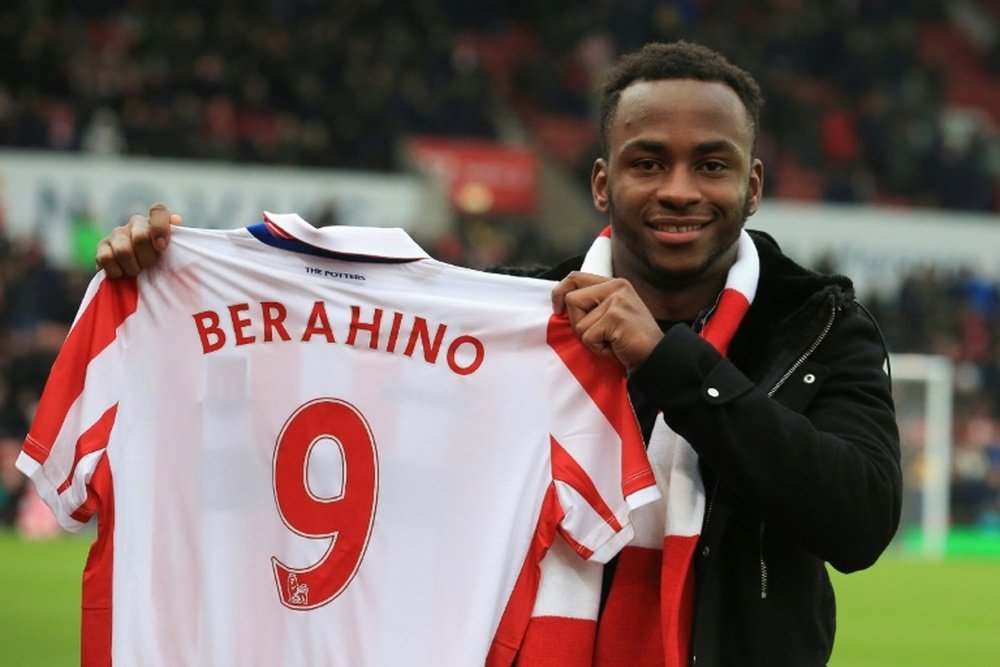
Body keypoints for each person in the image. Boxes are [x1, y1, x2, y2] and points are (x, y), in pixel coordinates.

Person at [95, 41, 901, 667]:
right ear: (600, 183)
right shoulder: (509, 322)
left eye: (712, 164)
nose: (680, 189)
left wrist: (670, 363)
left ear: (753, 186)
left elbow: (859, 519)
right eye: (648, 161)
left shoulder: (819, 327)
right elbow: (323, 441)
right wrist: (178, 286)